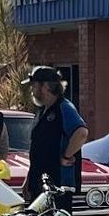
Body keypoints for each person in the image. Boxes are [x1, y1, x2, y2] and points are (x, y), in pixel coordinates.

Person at [22, 64, 87, 200]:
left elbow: (81, 133)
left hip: (57, 186)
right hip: (39, 184)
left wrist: (67, 156)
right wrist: (29, 180)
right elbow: (37, 150)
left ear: (45, 86)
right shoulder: (42, 111)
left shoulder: (64, 107)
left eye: (34, 85)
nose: (32, 90)